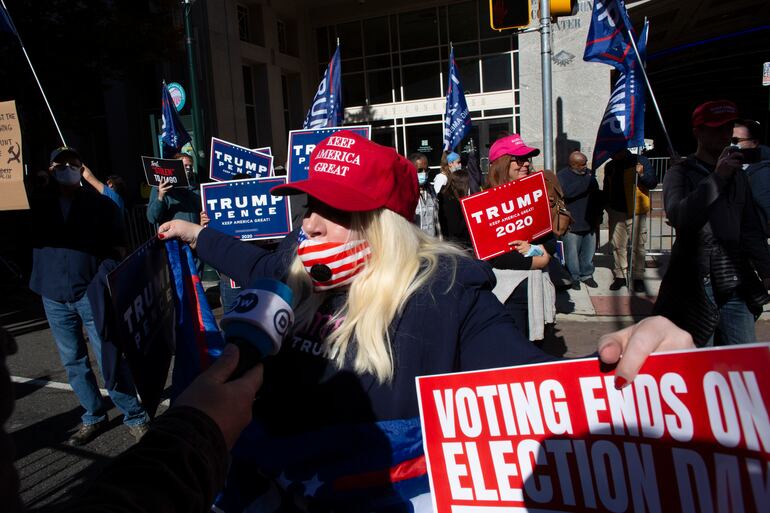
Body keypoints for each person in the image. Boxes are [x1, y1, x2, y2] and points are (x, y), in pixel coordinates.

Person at [157, 131, 693, 511]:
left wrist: (632, 372)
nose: (310, 224)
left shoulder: (448, 294)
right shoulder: (291, 266)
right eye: (308, 206)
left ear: (386, 225)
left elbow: (537, 397)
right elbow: (250, 261)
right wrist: (192, 232)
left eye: (334, 212)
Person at [28, 147, 148, 446]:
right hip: (53, 295)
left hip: (89, 292)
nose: (66, 168)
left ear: (82, 169)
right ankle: (93, 414)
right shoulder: (38, 205)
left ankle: (133, 414)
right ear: (50, 169)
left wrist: (99, 279)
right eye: (60, 164)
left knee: (108, 353)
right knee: (73, 360)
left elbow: (118, 247)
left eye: (73, 164)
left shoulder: (100, 206)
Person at [654, 100, 770, 346]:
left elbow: (750, 228)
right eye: (716, 128)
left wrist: (766, 271)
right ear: (698, 132)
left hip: (735, 279)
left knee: (741, 359)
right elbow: (679, 217)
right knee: (699, 361)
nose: (723, 135)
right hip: (695, 283)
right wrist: (718, 178)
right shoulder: (681, 172)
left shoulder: (739, 174)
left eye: (727, 128)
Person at [485, 134, 556, 340]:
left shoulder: (537, 193)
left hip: (537, 291)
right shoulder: (485, 202)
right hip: (507, 296)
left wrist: (534, 250)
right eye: (518, 159)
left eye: (527, 159)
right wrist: (539, 258)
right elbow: (496, 255)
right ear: (501, 164)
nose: (525, 164)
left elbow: (549, 242)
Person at [603, 148, 658, 293]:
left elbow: (652, 183)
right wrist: (606, 205)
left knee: (638, 245)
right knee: (617, 245)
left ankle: (638, 276)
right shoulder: (610, 166)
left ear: (622, 150)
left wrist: (641, 174)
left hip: (636, 210)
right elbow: (607, 186)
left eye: (614, 152)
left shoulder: (641, 161)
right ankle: (620, 275)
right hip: (616, 211)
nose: (612, 155)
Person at [558, 151, 602, 289]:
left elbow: (596, 194)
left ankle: (587, 274)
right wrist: (587, 181)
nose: (585, 166)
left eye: (586, 163)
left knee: (588, 251)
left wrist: (599, 214)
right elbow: (567, 193)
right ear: (573, 164)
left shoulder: (589, 175)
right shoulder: (562, 176)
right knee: (572, 253)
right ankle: (574, 276)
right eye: (582, 164)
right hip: (573, 222)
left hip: (589, 221)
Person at [735, 119, 770, 234]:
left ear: (754, 142)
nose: (731, 144)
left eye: (736, 140)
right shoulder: (731, 167)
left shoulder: (763, 173)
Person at [146, 152, 201, 226]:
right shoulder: (160, 186)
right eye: (185, 166)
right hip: (173, 235)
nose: (188, 168)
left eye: (190, 166)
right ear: (175, 168)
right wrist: (160, 196)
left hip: (193, 234)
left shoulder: (197, 188)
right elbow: (152, 218)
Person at [437, 167, 472, 249]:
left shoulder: (449, 197)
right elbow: (455, 228)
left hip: (454, 244)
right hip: (456, 246)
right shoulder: (450, 201)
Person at [409, 152, 439, 237]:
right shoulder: (406, 193)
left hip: (433, 244)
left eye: (426, 170)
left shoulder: (431, 190)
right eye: (420, 170)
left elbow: (436, 221)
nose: (424, 173)